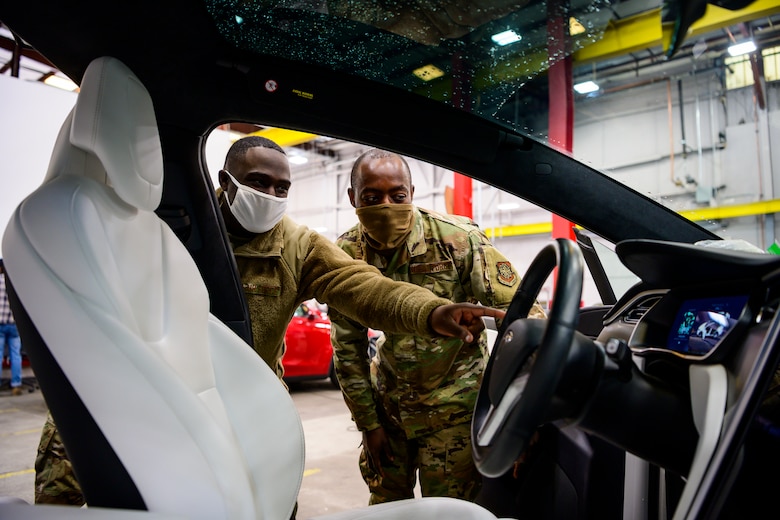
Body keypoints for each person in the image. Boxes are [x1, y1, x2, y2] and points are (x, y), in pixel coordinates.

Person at [34, 135, 506, 506]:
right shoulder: (170, 229)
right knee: (64, 487)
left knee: (269, 502)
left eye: (282, 187)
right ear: (225, 180)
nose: (271, 195)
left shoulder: (298, 244)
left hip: (246, 402)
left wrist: (431, 311)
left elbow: (364, 288)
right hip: (142, 390)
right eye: (258, 182)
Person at [329, 148, 546, 505]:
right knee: (386, 505)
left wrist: (525, 413)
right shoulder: (346, 254)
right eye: (372, 197)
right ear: (352, 198)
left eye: (397, 196)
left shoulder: (457, 241)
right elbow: (347, 346)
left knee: (449, 511)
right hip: (391, 410)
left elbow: (524, 321)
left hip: (454, 409)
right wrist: (369, 424)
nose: (386, 205)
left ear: (412, 193)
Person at [0, 259, 23, 397]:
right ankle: (16, 384)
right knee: (15, 355)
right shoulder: (15, 283)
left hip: (0, 324)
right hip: (14, 325)